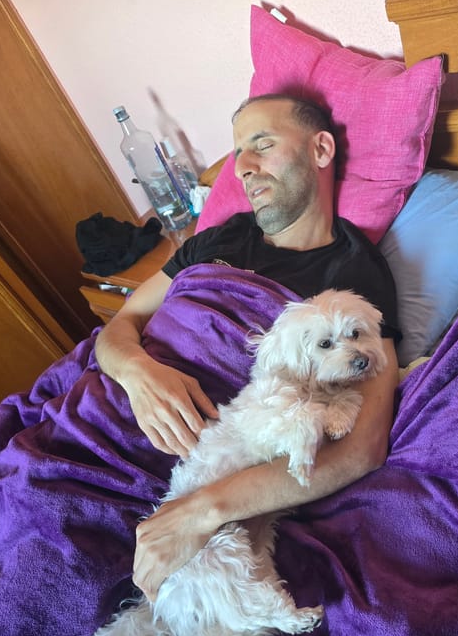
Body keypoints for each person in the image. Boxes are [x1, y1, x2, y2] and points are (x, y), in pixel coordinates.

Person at [95, 94, 401, 602]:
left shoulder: (353, 281)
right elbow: (121, 322)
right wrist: (137, 372)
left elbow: (362, 448)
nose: (243, 168)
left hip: (179, 467)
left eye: (262, 145)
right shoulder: (216, 239)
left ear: (320, 150)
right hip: (100, 409)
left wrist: (200, 512)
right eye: (238, 153)